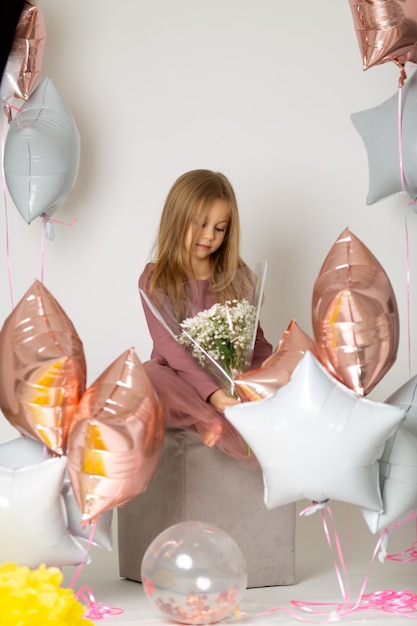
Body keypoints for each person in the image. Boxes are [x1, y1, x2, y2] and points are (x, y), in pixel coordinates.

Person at [139, 169, 272, 464]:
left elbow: (254, 339)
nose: (209, 236)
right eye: (200, 225)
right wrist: (211, 394)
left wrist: (259, 378)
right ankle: (205, 417)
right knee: (148, 377)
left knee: (284, 372)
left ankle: (224, 410)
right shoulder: (156, 279)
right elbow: (170, 347)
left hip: (230, 378)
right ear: (176, 220)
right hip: (178, 376)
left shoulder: (238, 279)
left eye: (220, 228)